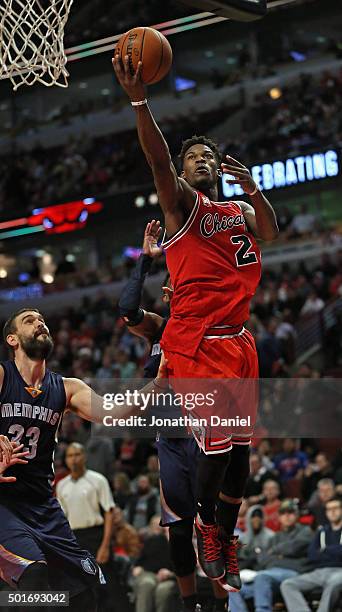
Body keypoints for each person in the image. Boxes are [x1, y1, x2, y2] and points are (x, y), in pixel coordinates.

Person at [113, 49, 278, 593]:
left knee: (242, 460)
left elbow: (271, 234)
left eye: (209, 155)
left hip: (239, 342)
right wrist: (140, 102)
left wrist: (253, 188)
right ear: (184, 174)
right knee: (217, 451)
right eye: (194, 157)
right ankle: (207, 523)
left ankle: (225, 538)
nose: (203, 159)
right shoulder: (182, 210)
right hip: (198, 345)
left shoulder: (238, 212)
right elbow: (158, 160)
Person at [0, 308, 166, 610]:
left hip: (43, 506)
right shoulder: (2, 377)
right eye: (29, 320)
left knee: (85, 589)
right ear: (12, 339)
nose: (40, 322)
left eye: (42, 319)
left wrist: (158, 383)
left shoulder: (66, 388)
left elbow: (113, 413)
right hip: (4, 505)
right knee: (34, 576)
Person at [119, 221, 228, 611]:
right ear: (168, 293)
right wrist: (144, 262)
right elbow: (127, 309)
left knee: (211, 529)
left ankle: (220, 606)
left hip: (205, 435)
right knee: (179, 534)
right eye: (178, 288)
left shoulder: (213, 327)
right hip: (170, 441)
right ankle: (189, 606)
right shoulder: (160, 330)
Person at [56, 442, 115, 612]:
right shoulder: (61, 485)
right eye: (70, 455)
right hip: (74, 539)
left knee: (104, 585)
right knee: (78, 587)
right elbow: (62, 519)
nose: (74, 459)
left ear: (84, 457)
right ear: (66, 460)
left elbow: (109, 512)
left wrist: (105, 545)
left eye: (77, 454)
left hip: (96, 536)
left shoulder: (98, 480)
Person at [232, 499, 313, 612]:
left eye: (290, 512)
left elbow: (295, 548)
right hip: (270, 575)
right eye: (283, 513)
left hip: (294, 572)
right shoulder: (275, 537)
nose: (287, 516)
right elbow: (262, 559)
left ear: (297, 515)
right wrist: (278, 556)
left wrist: (274, 552)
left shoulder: (305, 531)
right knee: (233, 588)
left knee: (262, 576)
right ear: (279, 517)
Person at [281, 497, 342, 612]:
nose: (332, 511)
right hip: (319, 572)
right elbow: (312, 555)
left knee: (333, 584)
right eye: (329, 509)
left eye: (336, 508)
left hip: (340, 570)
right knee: (288, 584)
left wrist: (324, 550)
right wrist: (335, 551)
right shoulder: (322, 531)